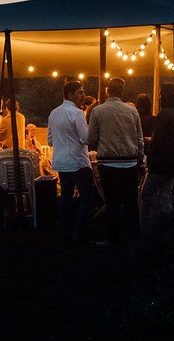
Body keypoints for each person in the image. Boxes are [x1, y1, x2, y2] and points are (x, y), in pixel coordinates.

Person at [87, 76, 144, 244]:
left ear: (107, 91)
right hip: (130, 162)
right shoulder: (132, 111)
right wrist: (139, 158)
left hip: (108, 163)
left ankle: (113, 239)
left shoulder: (98, 111)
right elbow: (139, 138)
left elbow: (91, 138)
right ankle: (134, 236)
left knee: (112, 203)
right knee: (131, 202)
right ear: (122, 92)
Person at [47, 81, 98, 242]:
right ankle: (78, 231)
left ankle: (65, 231)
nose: (83, 95)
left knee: (66, 197)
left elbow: (49, 140)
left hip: (61, 162)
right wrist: (94, 132)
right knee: (87, 198)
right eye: (80, 92)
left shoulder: (53, 113)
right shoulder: (77, 113)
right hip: (78, 162)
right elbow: (85, 138)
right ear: (70, 95)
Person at [140, 82, 174, 228]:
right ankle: (166, 225)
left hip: (161, 164)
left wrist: (148, 153)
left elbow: (157, 140)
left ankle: (155, 220)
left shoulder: (164, 114)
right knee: (166, 195)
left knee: (146, 193)